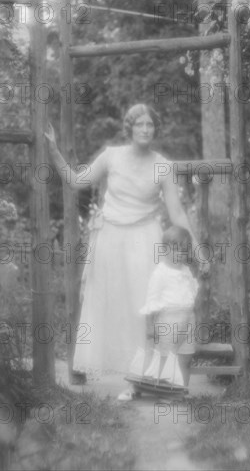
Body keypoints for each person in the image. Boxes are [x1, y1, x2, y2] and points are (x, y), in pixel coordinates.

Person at [44, 104, 202, 398]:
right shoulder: (111, 156)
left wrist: (196, 247)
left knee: (144, 307)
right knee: (110, 304)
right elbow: (77, 181)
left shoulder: (162, 165)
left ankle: (140, 379)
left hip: (145, 238)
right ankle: (121, 376)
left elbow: (177, 213)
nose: (145, 129)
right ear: (129, 129)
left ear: (155, 129)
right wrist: (53, 150)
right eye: (139, 124)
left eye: (150, 125)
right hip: (110, 240)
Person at [140, 225, 199, 389]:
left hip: (187, 320)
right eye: (175, 250)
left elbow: (190, 294)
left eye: (184, 251)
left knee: (185, 358)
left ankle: (182, 390)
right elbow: (151, 301)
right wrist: (150, 326)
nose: (180, 254)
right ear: (165, 250)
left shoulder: (186, 270)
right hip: (168, 320)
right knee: (166, 358)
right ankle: (164, 390)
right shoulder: (160, 273)